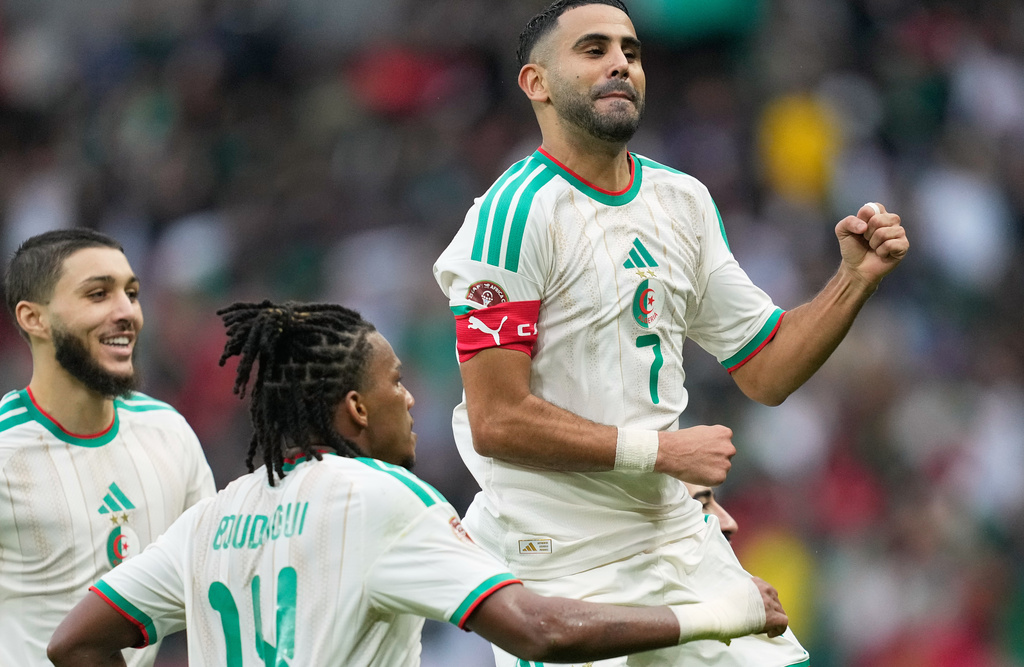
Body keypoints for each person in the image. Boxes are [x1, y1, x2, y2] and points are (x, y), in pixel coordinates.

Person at [433, 0, 908, 666]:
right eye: (593, 50)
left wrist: (854, 280)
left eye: (630, 51)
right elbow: (497, 418)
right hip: (559, 553)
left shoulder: (681, 200)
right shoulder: (510, 219)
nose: (620, 64)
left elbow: (767, 367)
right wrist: (662, 454)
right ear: (536, 83)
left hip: (673, 534)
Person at [48, 300, 788, 667]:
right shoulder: (379, 497)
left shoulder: (211, 518)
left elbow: (75, 640)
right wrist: (710, 610)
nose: (412, 398)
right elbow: (539, 631)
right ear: (356, 407)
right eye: (396, 381)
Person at [0, 228, 216, 667]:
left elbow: (216, 585)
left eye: (132, 293)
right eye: (98, 294)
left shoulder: (169, 433)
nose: (128, 313)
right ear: (33, 318)